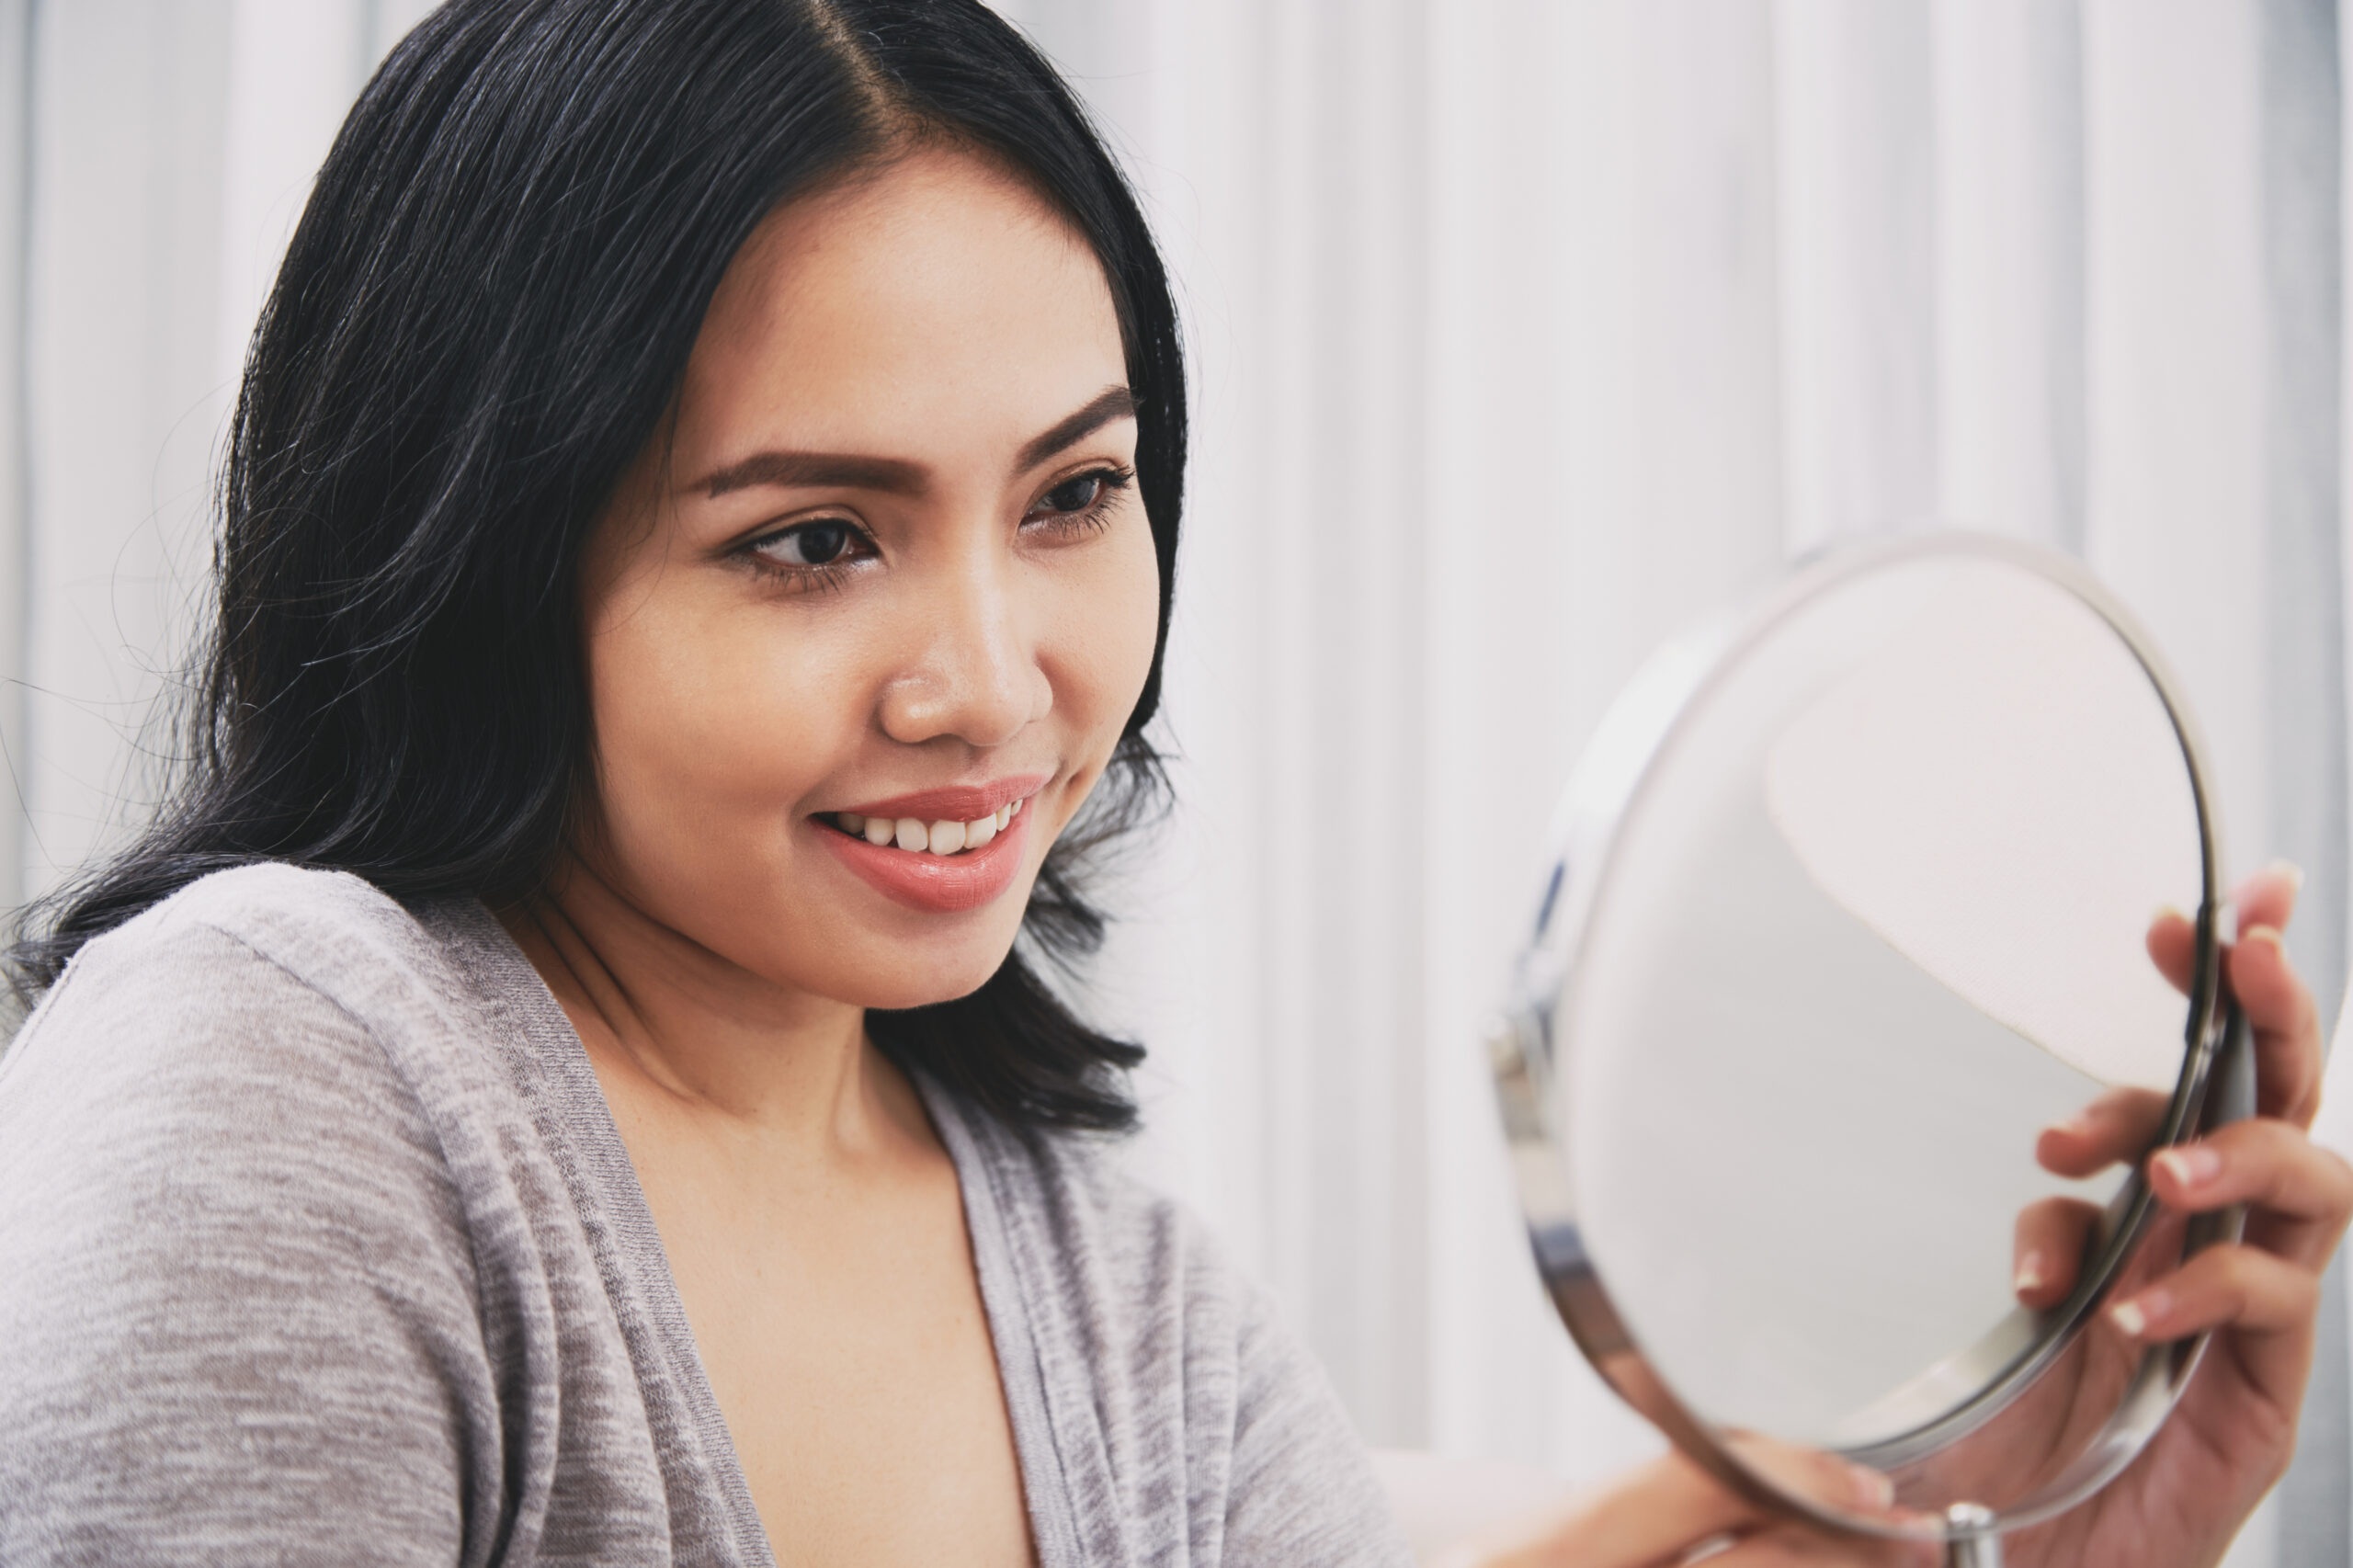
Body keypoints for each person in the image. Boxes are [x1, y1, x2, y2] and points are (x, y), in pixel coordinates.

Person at [0, 4, 2338, 1567]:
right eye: (815, 540)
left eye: (1070, 496)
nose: (995, 685)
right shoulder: (286, 1064)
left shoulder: (1125, 1307)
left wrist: (2004, 1519)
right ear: (491, 549)